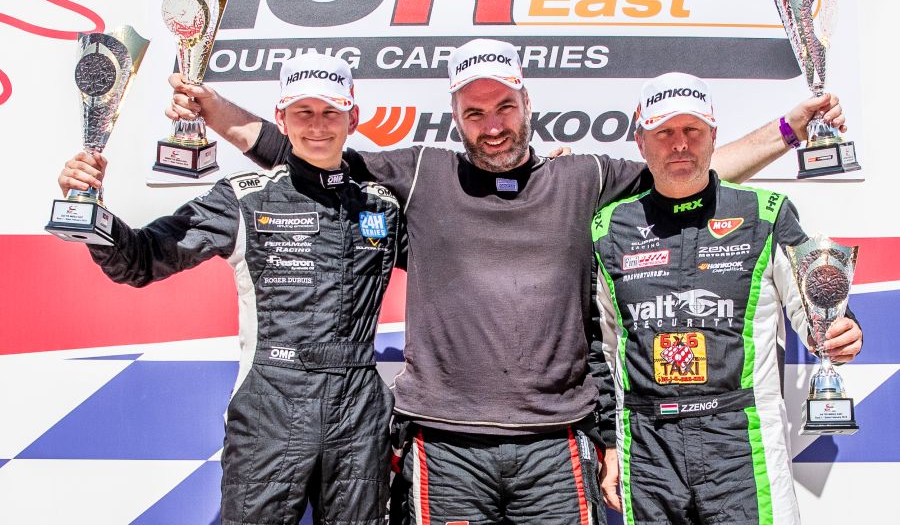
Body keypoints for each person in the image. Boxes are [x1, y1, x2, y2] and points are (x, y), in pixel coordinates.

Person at [61, 39, 847, 525]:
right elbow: (299, 148)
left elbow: (691, 168)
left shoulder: (586, 180)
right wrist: (211, 106)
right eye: (475, 112)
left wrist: (791, 127)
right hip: (443, 444)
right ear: (456, 119)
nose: (493, 123)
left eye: (505, 106)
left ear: (528, 105)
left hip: (555, 442)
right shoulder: (420, 176)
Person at [60, 54, 405, 525]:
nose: (318, 126)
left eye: (331, 112)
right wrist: (90, 207)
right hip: (270, 405)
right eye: (303, 112)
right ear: (281, 118)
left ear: (353, 118)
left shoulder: (382, 205)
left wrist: (540, 177)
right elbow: (140, 261)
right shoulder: (243, 198)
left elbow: (466, 260)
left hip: (360, 409)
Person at [590, 72, 863, 524]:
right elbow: (602, 349)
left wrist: (838, 330)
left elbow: (814, 308)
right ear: (641, 142)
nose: (679, 144)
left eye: (692, 130)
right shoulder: (607, 228)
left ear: (713, 135)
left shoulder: (764, 213)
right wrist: (610, 442)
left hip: (742, 440)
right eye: (665, 132)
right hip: (648, 444)